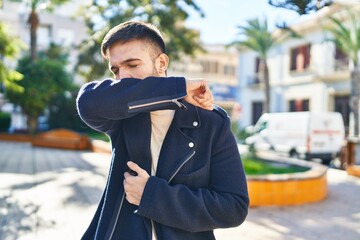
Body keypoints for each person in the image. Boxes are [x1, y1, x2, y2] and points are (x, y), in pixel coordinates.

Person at [76, 20, 249, 240]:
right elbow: (87, 102)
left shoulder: (211, 122)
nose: (122, 77)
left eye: (132, 64)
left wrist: (151, 195)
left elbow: (233, 207)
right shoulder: (121, 116)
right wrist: (177, 89)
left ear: (161, 63)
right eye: (116, 70)